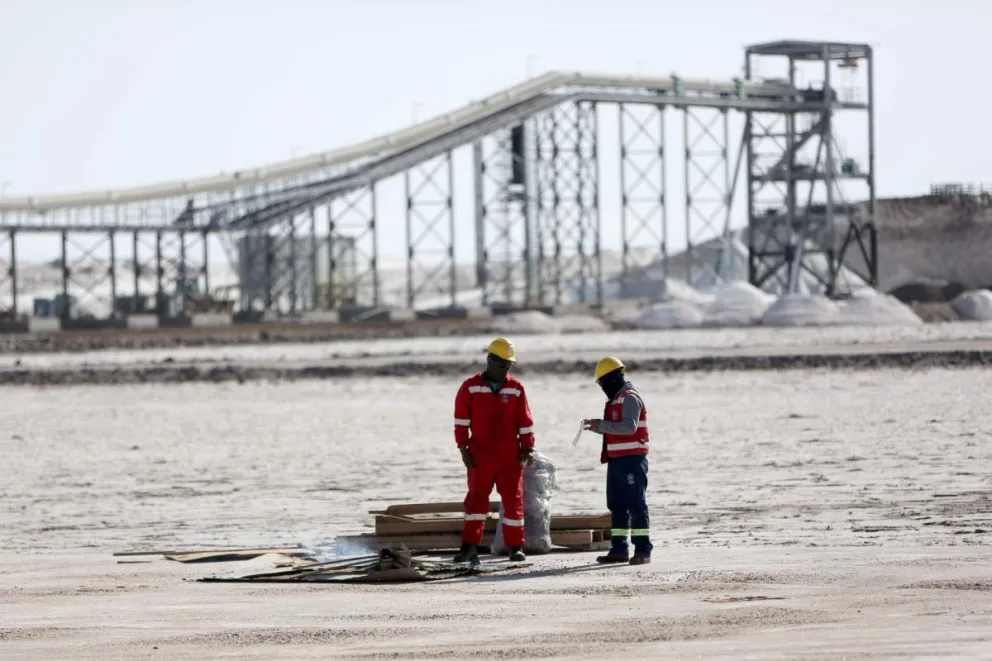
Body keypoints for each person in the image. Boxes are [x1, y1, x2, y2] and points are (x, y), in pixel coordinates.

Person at [452, 337, 536, 565]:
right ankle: (469, 547)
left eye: (508, 365)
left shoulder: (516, 388)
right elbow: (461, 420)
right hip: (480, 455)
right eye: (501, 365)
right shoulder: (470, 386)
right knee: (476, 501)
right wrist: (462, 447)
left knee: (513, 501)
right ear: (489, 360)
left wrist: (527, 449)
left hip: (510, 456)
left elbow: (525, 422)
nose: (505, 369)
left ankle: (516, 547)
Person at [581, 356, 653, 565]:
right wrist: (597, 426)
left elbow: (629, 427)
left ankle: (643, 549)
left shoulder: (629, 398)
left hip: (632, 460)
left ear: (611, 379)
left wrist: (601, 425)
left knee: (636, 504)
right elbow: (616, 429)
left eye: (603, 383)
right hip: (616, 461)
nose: (603, 388)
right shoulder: (616, 400)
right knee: (617, 505)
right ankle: (619, 549)